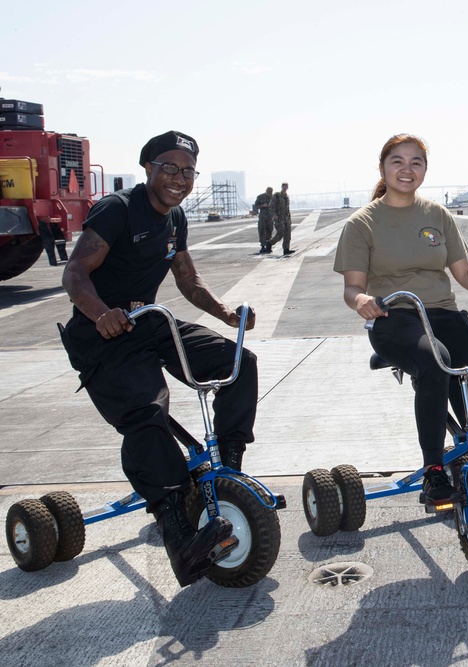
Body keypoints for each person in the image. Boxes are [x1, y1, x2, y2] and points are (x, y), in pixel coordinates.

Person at [59, 131, 258, 586]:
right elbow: (75, 272)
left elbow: (188, 281)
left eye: (188, 171)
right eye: (169, 167)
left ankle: (227, 472)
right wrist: (100, 314)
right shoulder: (118, 210)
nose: (179, 178)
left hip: (149, 322)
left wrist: (226, 313)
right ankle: (178, 534)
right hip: (102, 335)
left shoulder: (175, 219)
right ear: (148, 168)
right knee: (147, 416)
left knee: (237, 364)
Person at [333, 133, 468, 541]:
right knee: (434, 362)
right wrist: (361, 299)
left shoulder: (438, 215)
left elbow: (464, 275)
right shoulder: (362, 223)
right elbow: (351, 288)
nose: (407, 169)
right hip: (395, 317)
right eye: (397, 161)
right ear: (382, 168)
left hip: (445, 315)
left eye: (416, 162)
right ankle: (434, 469)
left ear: (424, 170)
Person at [266, 182, 292, 255]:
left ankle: (286, 249)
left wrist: (290, 218)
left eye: (286, 186)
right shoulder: (277, 195)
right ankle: (270, 243)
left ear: (287, 188)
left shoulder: (286, 196)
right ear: (281, 187)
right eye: (283, 186)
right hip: (279, 218)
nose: (285, 188)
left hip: (286, 218)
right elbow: (271, 206)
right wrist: (274, 215)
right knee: (280, 233)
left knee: (288, 234)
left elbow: (287, 209)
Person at [252, 186, 274, 254]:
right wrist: (263, 206)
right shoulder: (260, 197)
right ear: (266, 191)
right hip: (263, 217)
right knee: (262, 231)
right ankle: (262, 246)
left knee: (269, 231)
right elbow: (255, 206)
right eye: (268, 191)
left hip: (270, 217)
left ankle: (268, 246)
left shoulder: (273, 197)